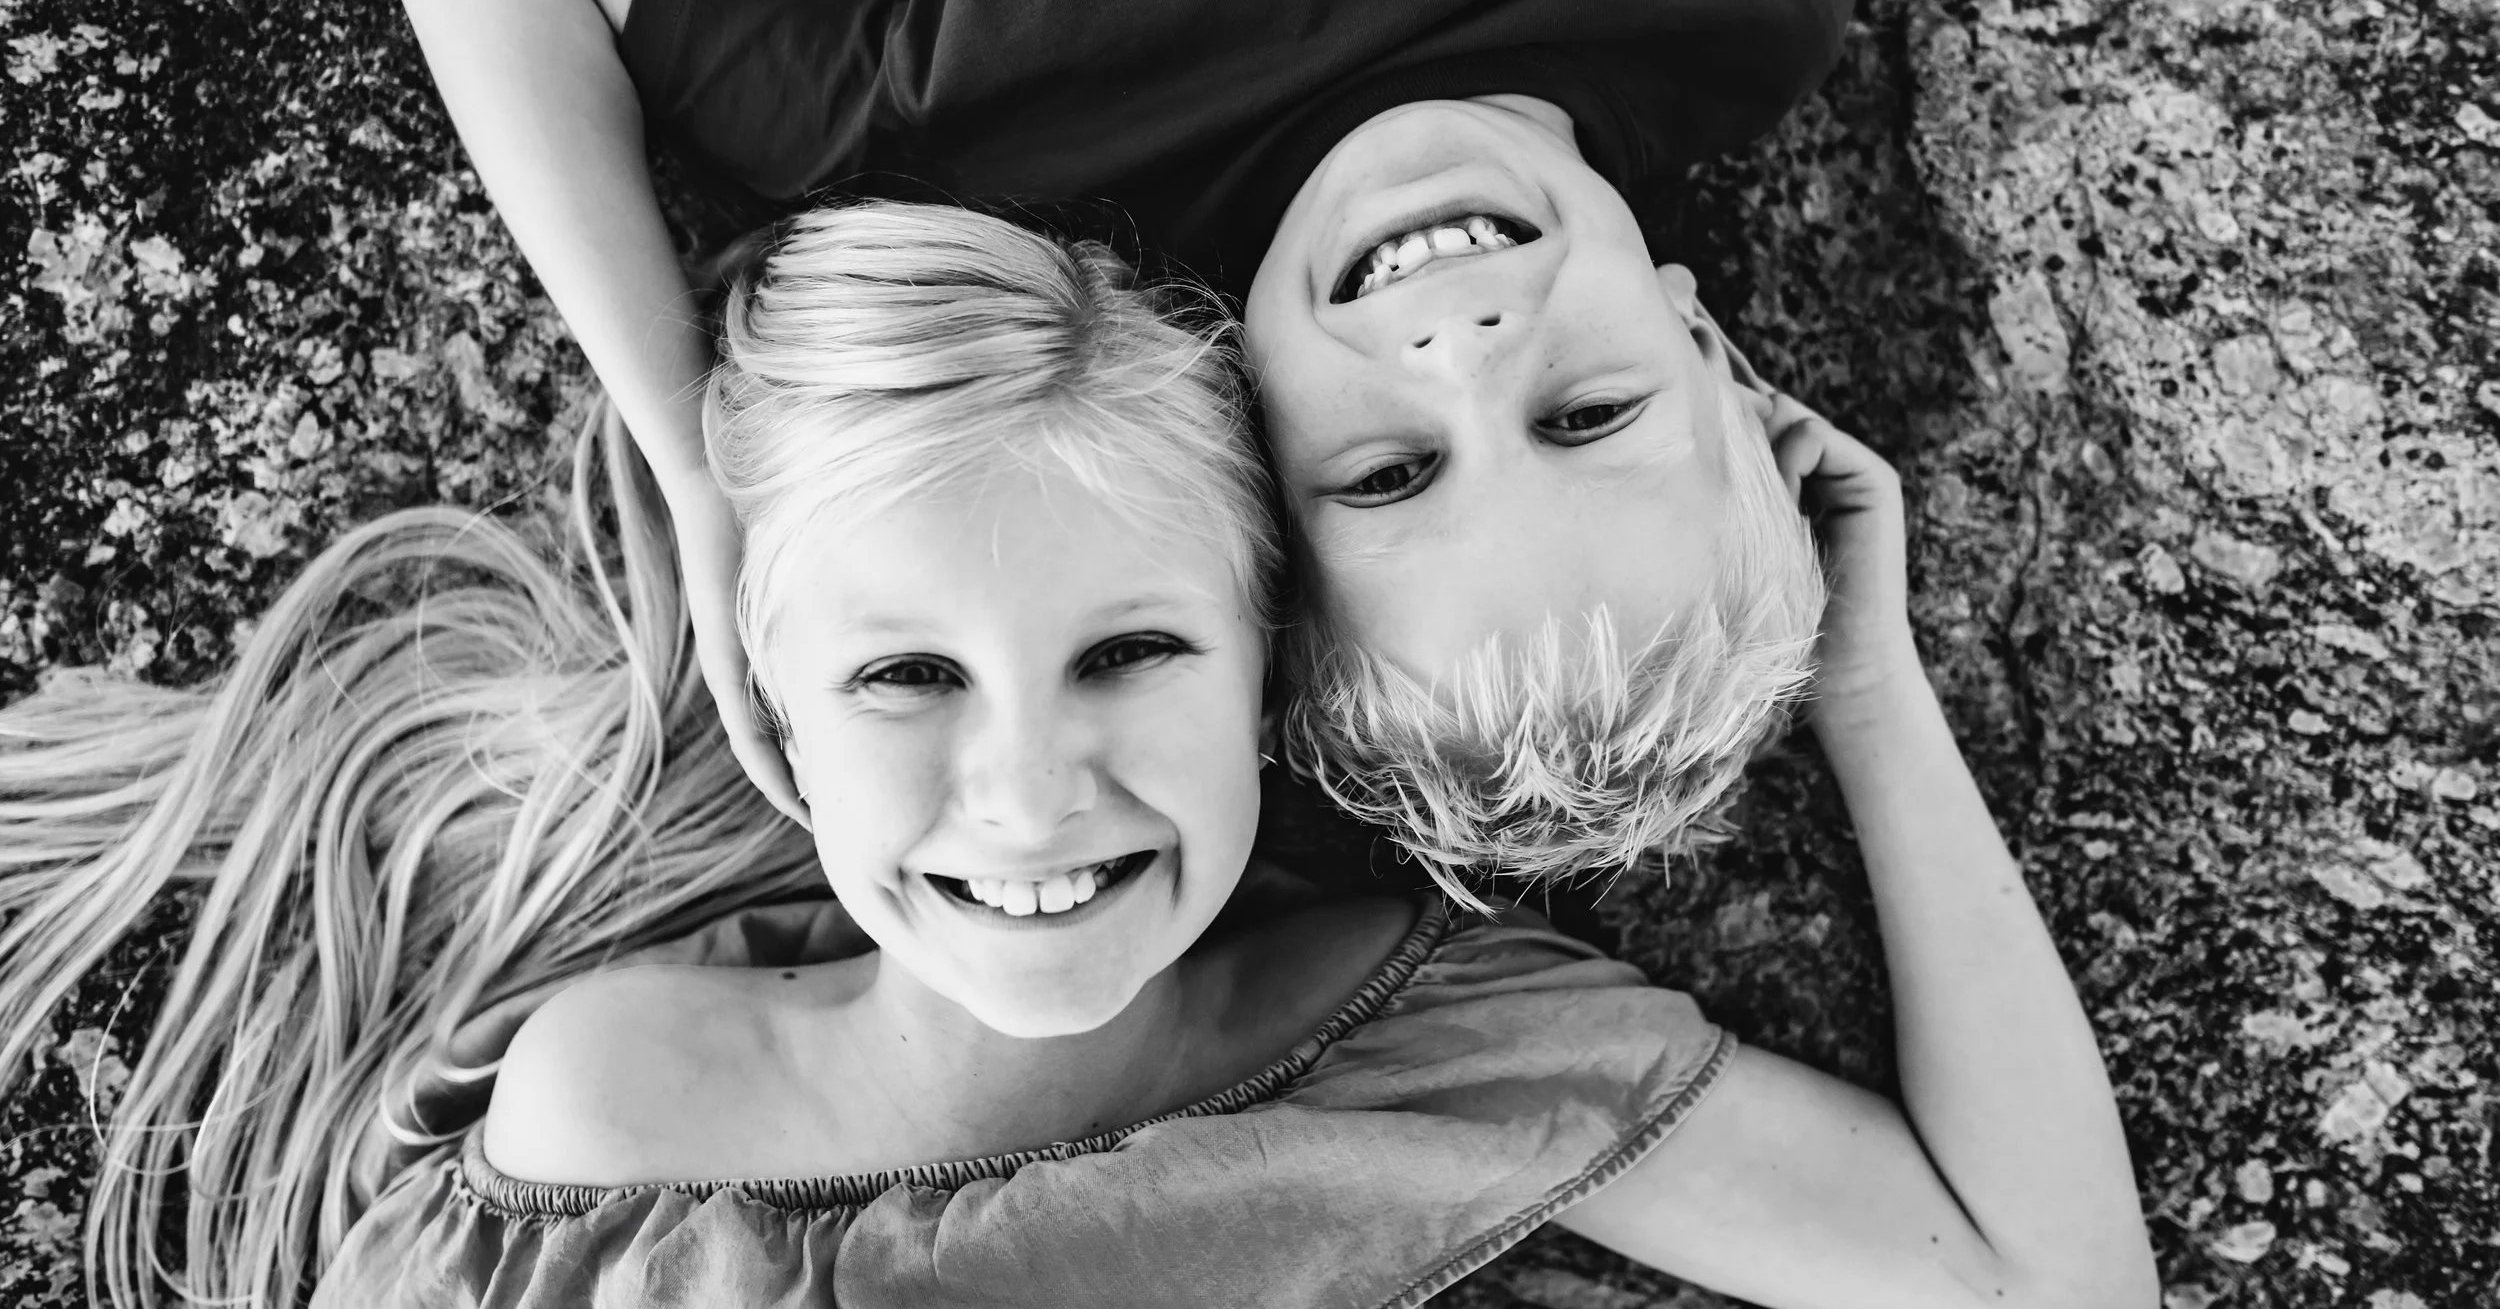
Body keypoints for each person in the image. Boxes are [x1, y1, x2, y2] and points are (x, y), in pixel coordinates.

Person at [3, 202, 2152, 1306]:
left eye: (1128, 650)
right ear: (769, 696)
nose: (1028, 797)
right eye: (902, 679)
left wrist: (1862, 691)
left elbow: (2043, 1285)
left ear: (1266, 663)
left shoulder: (1423, 1046)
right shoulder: (611, 1136)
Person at [373, 0, 1876, 882]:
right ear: (1706, 348)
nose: (1464, 357)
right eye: (1587, 416)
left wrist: (697, 454)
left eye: (1391, 475)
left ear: (1248, 464)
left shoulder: (965, 147)